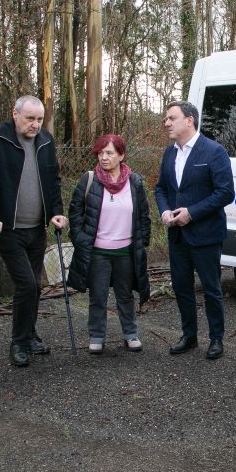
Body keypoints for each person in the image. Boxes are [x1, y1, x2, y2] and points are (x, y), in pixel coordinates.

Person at [0, 95, 67, 368]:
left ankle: (30, 335)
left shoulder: (45, 141)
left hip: (37, 228)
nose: (35, 125)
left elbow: (53, 179)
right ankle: (18, 342)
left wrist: (56, 210)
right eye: (30, 118)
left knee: (34, 287)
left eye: (39, 119)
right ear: (15, 114)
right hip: (6, 228)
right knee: (28, 284)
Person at [154, 101, 234, 360]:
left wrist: (192, 212)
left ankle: (216, 339)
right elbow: (161, 188)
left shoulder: (214, 151)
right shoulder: (169, 153)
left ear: (189, 120)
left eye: (171, 118)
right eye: (166, 118)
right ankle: (189, 336)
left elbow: (225, 193)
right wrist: (165, 210)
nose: (166, 123)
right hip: (177, 235)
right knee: (181, 287)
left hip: (206, 234)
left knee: (211, 288)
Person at [67, 134, 151, 354]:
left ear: (121, 155)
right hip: (98, 251)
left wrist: (143, 243)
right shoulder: (89, 180)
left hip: (125, 251)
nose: (103, 157)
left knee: (125, 295)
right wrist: (80, 239)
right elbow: (75, 211)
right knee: (98, 295)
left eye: (109, 153)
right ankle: (96, 336)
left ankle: (130, 334)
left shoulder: (135, 182)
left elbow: (144, 215)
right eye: (101, 153)